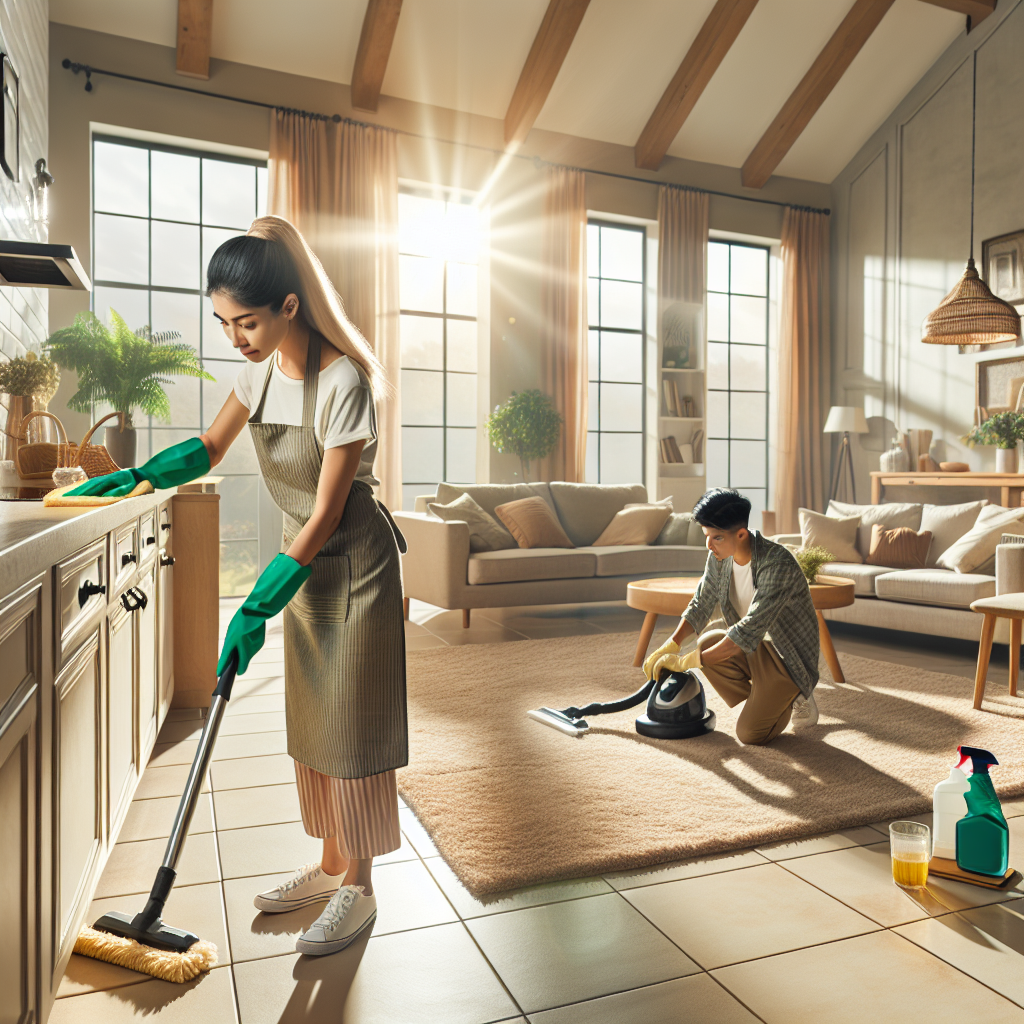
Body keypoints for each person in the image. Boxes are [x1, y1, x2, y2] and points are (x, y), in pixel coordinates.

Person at [70, 215, 407, 956]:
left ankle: (362, 887)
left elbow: (324, 513)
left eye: (246, 322)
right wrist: (136, 476)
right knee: (314, 725)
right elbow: (210, 446)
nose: (236, 339)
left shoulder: (343, 380)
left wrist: (257, 602)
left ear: (289, 307)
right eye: (223, 323)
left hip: (354, 564)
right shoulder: (257, 373)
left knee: (355, 730)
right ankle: (327, 866)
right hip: (305, 567)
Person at [644, 488, 819, 745]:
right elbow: (701, 602)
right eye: (706, 536)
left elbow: (747, 629)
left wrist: (686, 662)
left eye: (716, 537)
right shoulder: (719, 557)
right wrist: (672, 644)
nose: (708, 545)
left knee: (749, 734)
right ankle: (769, 697)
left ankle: (794, 694)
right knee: (708, 642)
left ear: (741, 534)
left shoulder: (777, 564)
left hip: (786, 658)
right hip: (754, 650)